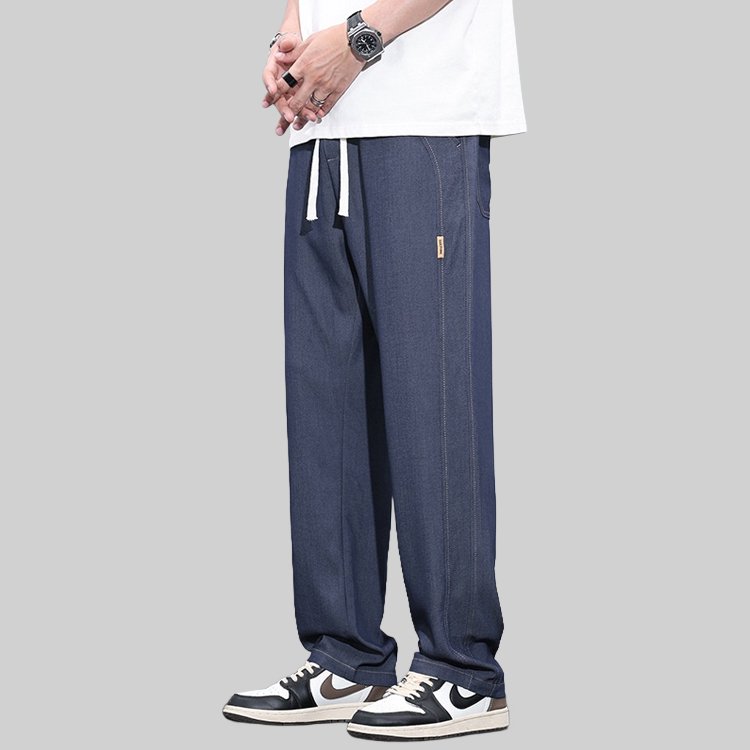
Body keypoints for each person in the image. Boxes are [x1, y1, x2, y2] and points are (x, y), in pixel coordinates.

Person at [222, 0, 526, 740]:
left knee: (432, 401)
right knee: (326, 407)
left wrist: (358, 40)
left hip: (425, 119)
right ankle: (346, 655)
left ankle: (462, 670)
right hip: (324, 129)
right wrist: (292, 33)